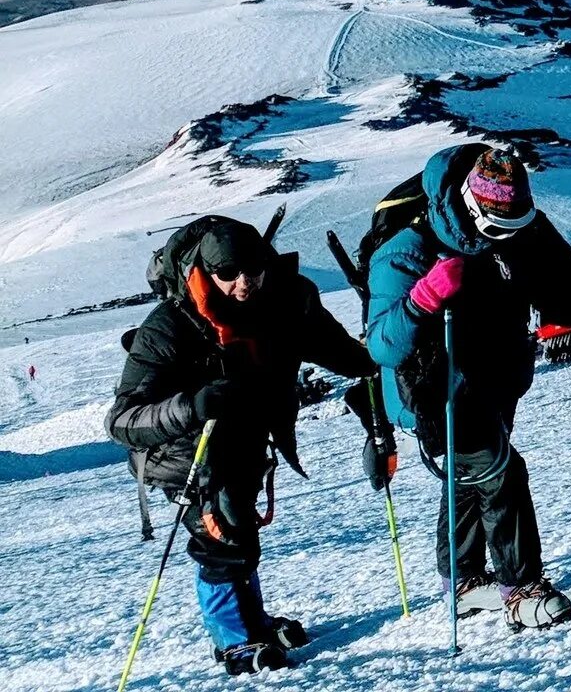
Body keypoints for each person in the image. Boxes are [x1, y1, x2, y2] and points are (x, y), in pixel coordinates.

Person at [364, 144, 571, 629]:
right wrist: (421, 300)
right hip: (434, 389)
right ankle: (522, 588)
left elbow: (559, 292)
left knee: (468, 480)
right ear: (469, 208)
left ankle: (463, 582)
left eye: (515, 227)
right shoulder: (407, 251)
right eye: (495, 230)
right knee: (500, 472)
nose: (504, 239)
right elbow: (382, 346)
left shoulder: (526, 228)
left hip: (497, 376)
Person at [106, 217, 378, 675]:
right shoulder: (171, 325)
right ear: (204, 272)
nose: (243, 284)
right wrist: (190, 406)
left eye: (253, 272)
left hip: (246, 437)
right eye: (228, 276)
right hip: (184, 451)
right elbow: (122, 421)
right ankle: (233, 639)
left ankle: (253, 622)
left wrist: (377, 360)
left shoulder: (289, 300)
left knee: (240, 529)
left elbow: (338, 350)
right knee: (222, 535)